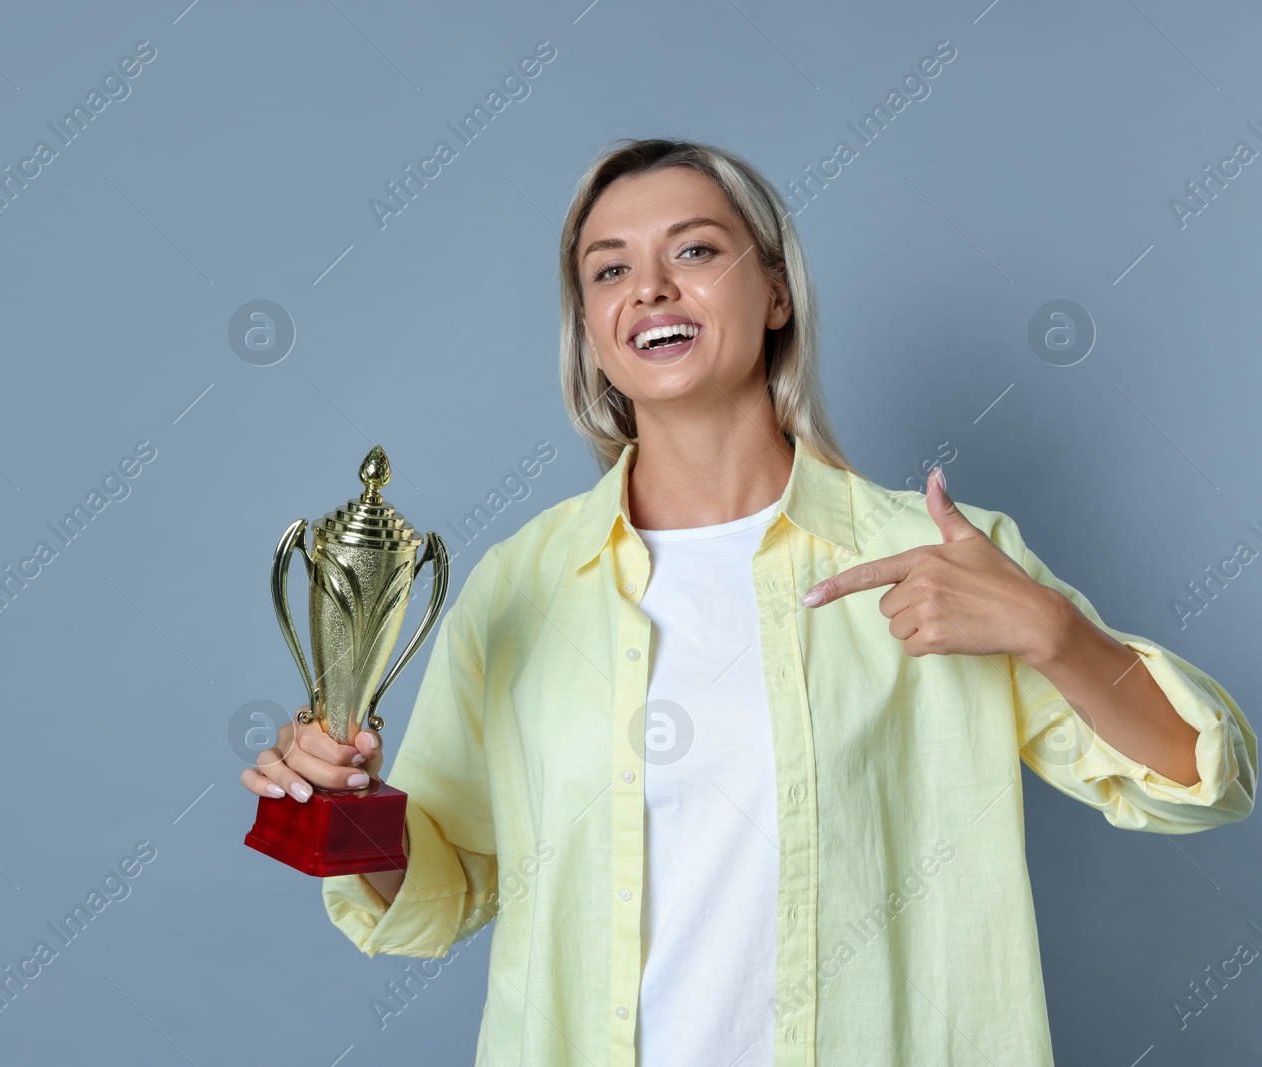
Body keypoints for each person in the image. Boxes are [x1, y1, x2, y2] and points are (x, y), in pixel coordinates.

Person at [239, 138, 1258, 1066]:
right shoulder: (521, 583)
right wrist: (338, 802)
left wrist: (1055, 633)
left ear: (773, 290)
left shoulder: (938, 557)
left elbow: (1201, 781)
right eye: (608, 269)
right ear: (591, 332)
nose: (648, 288)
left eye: (693, 251)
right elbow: (441, 891)